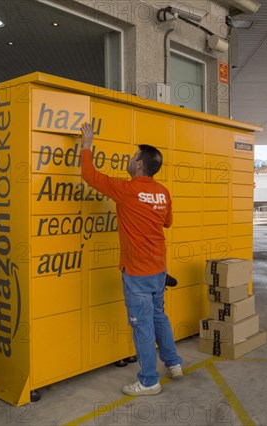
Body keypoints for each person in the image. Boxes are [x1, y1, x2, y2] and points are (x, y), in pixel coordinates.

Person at [80, 122, 183, 396]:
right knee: (159, 316)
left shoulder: (127, 190)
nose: (128, 159)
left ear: (139, 164)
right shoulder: (163, 192)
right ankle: (173, 364)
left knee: (143, 326)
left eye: (131, 156)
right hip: (158, 268)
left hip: (137, 271)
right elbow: (168, 222)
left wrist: (87, 144)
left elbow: (90, 175)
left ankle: (149, 381)